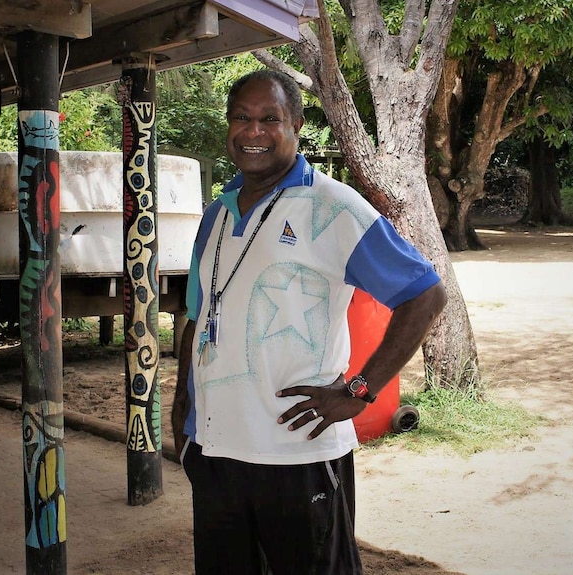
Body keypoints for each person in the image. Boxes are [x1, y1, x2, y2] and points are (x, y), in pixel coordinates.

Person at [172, 69, 447, 575]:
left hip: (295, 453)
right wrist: (183, 406)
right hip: (214, 451)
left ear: (297, 124)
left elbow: (426, 295)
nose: (253, 131)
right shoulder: (216, 213)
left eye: (269, 119)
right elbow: (201, 312)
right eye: (241, 117)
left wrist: (359, 389)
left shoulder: (332, 206)